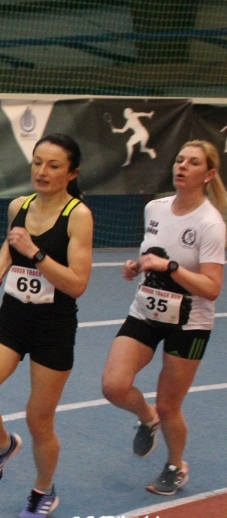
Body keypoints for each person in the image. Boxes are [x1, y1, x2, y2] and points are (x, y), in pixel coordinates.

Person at [0, 134, 93, 518]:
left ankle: (43, 491)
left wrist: (37, 253)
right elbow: (12, 241)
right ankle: (2, 445)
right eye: (37, 162)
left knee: (39, 420)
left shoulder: (78, 216)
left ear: (72, 173)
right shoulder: (19, 205)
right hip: (12, 320)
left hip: (54, 328)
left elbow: (77, 283)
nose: (42, 171)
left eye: (53, 165)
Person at [101, 141, 226, 495]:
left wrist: (170, 267)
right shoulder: (154, 209)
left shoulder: (210, 224)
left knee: (170, 404)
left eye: (193, 162)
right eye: (180, 159)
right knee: (113, 386)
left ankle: (175, 465)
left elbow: (212, 288)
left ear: (209, 174)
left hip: (189, 324)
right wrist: (136, 267)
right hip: (146, 311)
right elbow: (150, 255)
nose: (182, 166)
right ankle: (147, 416)